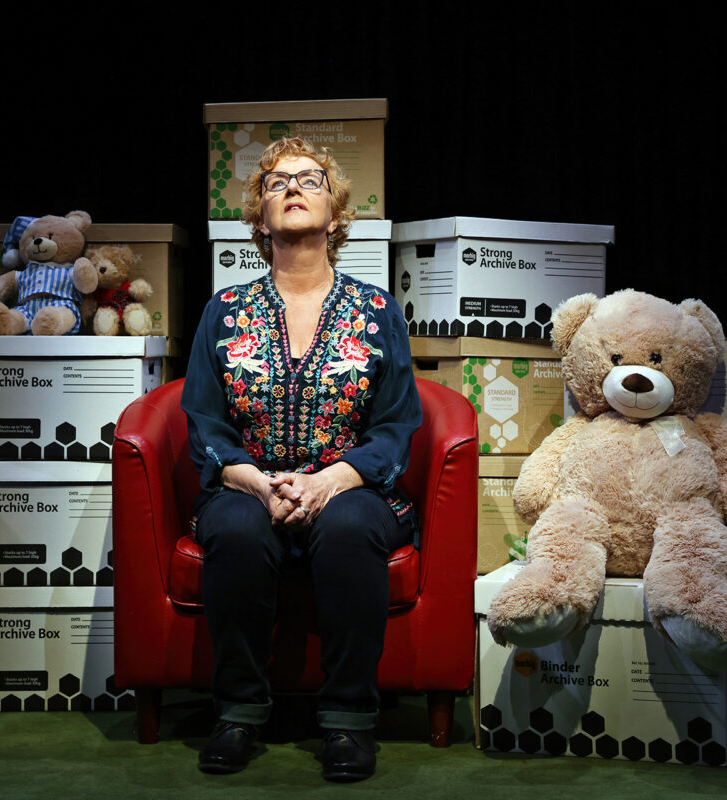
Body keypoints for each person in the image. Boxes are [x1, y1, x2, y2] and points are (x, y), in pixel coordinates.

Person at [181, 137, 421, 782]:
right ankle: (237, 714)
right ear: (260, 218)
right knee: (236, 529)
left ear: (335, 213)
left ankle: (349, 721)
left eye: (311, 180)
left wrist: (331, 482)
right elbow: (204, 419)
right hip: (245, 485)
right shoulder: (223, 311)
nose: (292, 187)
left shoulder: (377, 310)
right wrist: (256, 484)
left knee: (347, 527)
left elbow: (396, 424)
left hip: (353, 487)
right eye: (276, 182)